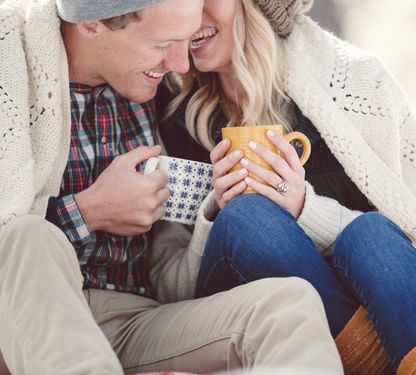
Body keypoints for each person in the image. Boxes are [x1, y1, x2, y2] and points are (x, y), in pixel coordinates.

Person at [159, 0, 416, 374]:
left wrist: (304, 210)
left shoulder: (354, 82)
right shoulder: (170, 111)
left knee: (371, 231)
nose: (193, 12)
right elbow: (169, 290)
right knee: (248, 216)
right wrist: (214, 214)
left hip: (383, 310)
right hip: (244, 310)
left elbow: (414, 246)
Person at [0, 0, 344, 374]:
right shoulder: (11, 62)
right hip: (30, 320)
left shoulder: (155, 91)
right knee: (26, 235)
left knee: (289, 304)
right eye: (162, 45)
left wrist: (212, 211)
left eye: (186, 41)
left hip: (135, 320)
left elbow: (170, 263)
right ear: (91, 23)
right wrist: (89, 211)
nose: (181, 65)